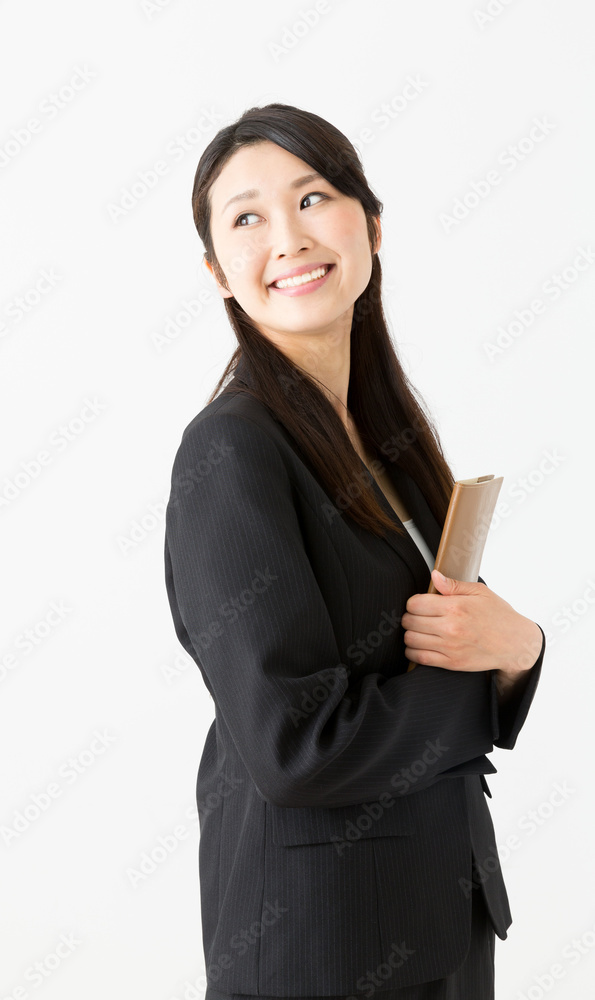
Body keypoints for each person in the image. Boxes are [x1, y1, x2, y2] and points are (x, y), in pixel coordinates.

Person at [163, 103, 545, 1000]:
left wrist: (520, 650)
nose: (288, 238)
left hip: (435, 919)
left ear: (370, 225)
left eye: (313, 198)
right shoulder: (230, 451)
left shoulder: (386, 438)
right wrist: (483, 684)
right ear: (219, 273)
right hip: (322, 945)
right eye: (247, 217)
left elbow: (454, 635)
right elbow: (295, 748)